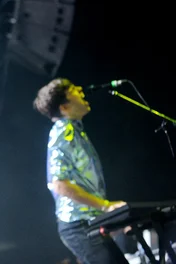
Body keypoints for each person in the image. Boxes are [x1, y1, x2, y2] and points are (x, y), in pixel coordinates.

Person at [33, 78, 128, 264]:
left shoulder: (74, 131)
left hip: (89, 223)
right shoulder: (63, 132)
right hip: (79, 227)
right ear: (64, 107)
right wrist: (105, 206)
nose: (81, 90)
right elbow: (59, 184)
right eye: (74, 90)